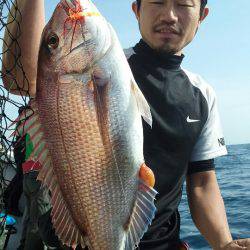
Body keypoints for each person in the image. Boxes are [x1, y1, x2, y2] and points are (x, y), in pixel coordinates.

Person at [1, 0, 250, 249]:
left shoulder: (203, 94)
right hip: (87, 239)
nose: (170, 15)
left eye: (184, 4)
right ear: (136, 10)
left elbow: (202, 182)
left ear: (202, 16)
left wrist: (224, 243)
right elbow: (24, 79)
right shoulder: (112, 63)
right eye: (157, 2)